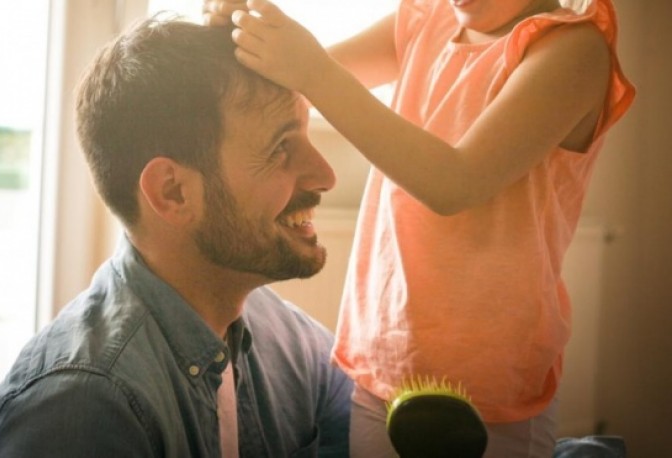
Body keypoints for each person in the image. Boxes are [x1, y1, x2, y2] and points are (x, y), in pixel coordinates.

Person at [203, 0, 635, 456]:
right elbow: (293, 80)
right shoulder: (425, 18)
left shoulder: (572, 50)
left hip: (490, 389)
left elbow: (455, 183)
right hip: (385, 357)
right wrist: (245, 28)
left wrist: (311, 70)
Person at [0, 17, 353, 458]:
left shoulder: (283, 336)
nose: (326, 176)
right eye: (280, 149)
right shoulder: (80, 409)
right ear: (173, 192)